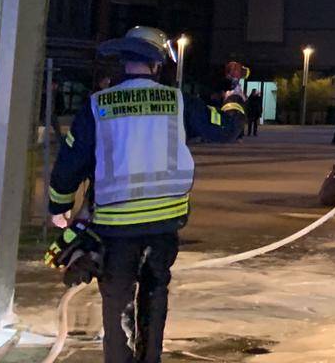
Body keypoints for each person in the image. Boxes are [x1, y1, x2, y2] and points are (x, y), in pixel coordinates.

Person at [47, 26, 245, 363]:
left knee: (117, 302)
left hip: (115, 227)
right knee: (154, 296)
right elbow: (226, 130)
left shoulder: (98, 105)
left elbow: (71, 162)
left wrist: (60, 205)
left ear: (124, 62)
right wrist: (235, 101)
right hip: (163, 224)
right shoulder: (177, 101)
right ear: (157, 64)